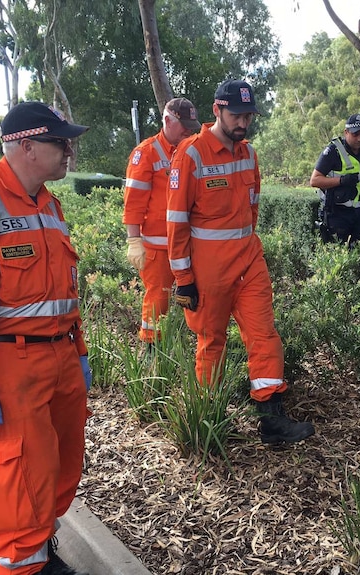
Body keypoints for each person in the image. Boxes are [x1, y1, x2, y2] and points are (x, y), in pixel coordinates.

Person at [0, 101, 92, 575]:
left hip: (60, 357)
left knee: (58, 468)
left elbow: (64, 288)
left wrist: (79, 351)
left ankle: (41, 548)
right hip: (13, 366)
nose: (69, 151)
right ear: (26, 147)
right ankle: (23, 565)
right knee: (20, 478)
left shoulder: (48, 202)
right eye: (60, 142)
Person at [166, 79, 315, 444]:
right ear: (217, 110)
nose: (243, 123)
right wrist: (183, 277)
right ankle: (207, 419)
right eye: (237, 115)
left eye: (248, 116)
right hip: (208, 273)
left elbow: (252, 210)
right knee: (211, 342)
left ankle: (271, 418)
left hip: (249, 265)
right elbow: (176, 222)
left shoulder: (249, 154)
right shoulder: (191, 154)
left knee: (265, 336)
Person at [123, 97, 201, 346]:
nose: (189, 130)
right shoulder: (145, 153)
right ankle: (152, 352)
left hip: (188, 246)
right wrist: (134, 240)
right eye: (184, 125)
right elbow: (133, 203)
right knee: (158, 301)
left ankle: (183, 346)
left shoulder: (191, 150)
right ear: (168, 121)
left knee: (191, 299)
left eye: (191, 125)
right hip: (158, 249)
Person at [309, 113, 360, 246]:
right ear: (346, 132)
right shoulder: (333, 151)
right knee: (341, 257)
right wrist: (341, 181)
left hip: (358, 212)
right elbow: (314, 180)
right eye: (355, 134)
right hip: (337, 213)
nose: (359, 138)